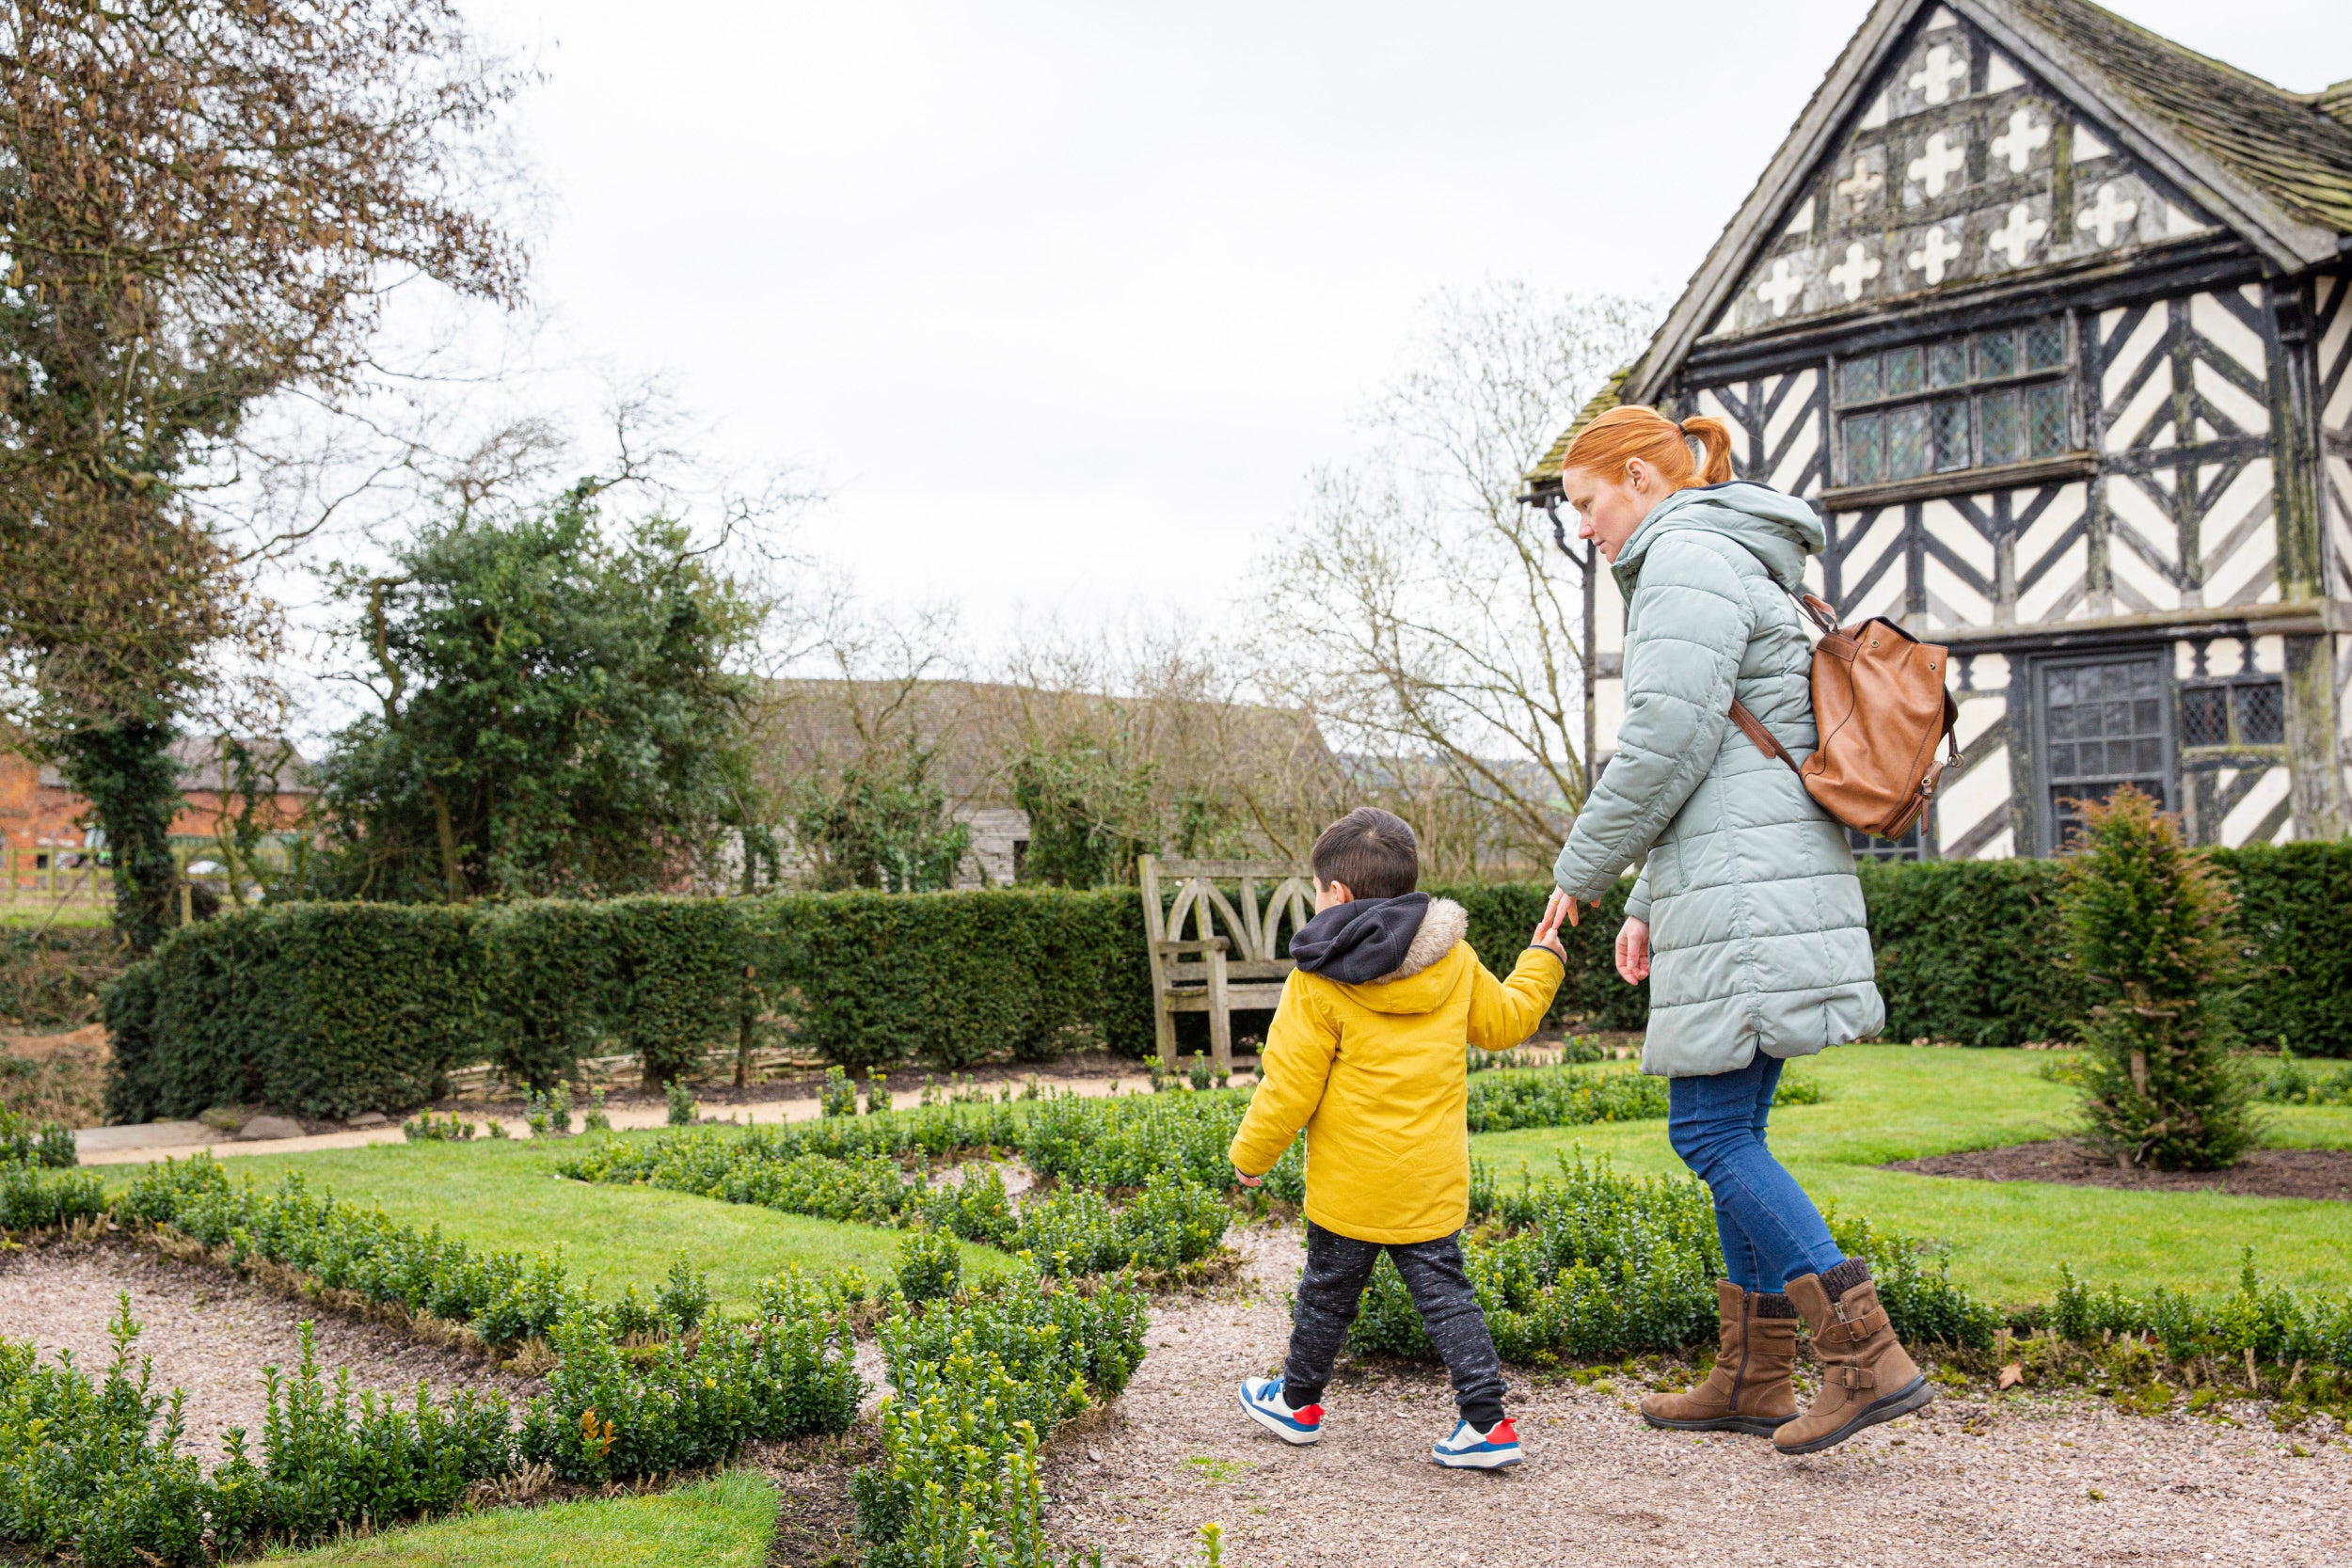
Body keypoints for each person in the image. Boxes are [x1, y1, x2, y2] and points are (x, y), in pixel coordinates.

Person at [1549, 404, 1931, 1456]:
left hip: (1748, 889)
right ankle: (1751, 1376)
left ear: (1636, 477)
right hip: (1745, 870)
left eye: (1585, 503)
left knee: (1708, 1132)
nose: (1582, 527)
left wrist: (1578, 873)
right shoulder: (1723, 550)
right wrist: (1642, 902)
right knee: (1734, 1131)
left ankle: (1864, 1358)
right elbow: (1715, 757)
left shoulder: (1683, 559)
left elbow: (1664, 742)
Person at [1230, 806, 1569, 1469]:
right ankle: (1487, 1423)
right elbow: (1508, 1021)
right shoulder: (1455, 959)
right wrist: (1543, 958)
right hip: (1429, 1179)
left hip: (1351, 1184)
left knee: (1326, 1292)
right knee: (1448, 1298)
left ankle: (1298, 1403)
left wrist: (1250, 1157)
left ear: (1341, 895)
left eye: (1319, 890)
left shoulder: (1317, 976)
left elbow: (1289, 1086)